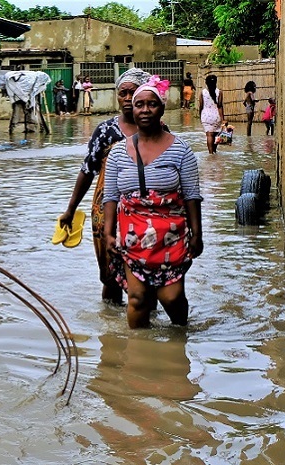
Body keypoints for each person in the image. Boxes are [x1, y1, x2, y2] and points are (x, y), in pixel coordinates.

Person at [102, 76, 204, 329]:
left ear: (162, 108)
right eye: (139, 105)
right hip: (133, 237)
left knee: (171, 298)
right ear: (132, 109)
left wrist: (196, 234)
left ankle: (181, 338)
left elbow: (192, 195)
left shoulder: (181, 150)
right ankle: (138, 357)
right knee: (137, 299)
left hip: (170, 236)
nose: (145, 110)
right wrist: (107, 232)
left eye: (152, 104)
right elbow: (111, 196)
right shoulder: (117, 152)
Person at [57, 68, 154, 305]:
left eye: (133, 93)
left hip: (146, 213)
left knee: (148, 276)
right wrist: (70, 209)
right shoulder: (106, 131)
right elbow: (87, 170)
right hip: (107, 212)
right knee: (110, 277)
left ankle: (145, 330)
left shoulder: (158, 131)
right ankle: (110, 331)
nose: (127, 98)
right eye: (123, 93)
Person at [198, 74, 224, 154]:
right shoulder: (219, 92)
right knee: (216, 135)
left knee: (209, 135)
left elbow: (201, 106)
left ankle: (210, 153)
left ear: (206, 82)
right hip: (216, 116)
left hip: (206, 116)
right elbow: (220, 106)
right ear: (216, 82)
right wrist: (223, 119)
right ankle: (214, 151)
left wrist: (200, 116)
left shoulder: (203, 92)